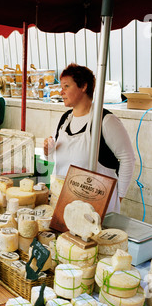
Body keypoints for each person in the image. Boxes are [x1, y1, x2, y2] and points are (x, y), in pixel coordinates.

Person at [44, 63, 135, 213]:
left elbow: (128, 159)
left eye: (66, 86)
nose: (61, 92)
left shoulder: (105, 121)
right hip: (65, 204)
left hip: (96, 209)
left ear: (84, 86)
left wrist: (119, 197)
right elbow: (54, 161)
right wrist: (49, 151)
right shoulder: (64, 120)